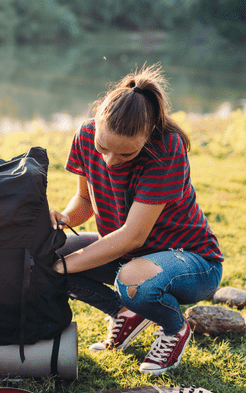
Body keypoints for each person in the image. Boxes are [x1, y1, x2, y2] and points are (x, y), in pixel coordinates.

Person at [49, 64, 223, 376]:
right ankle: (125, 313)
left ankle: (174, 329)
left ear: (147, 136)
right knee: (49, 254)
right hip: (129, 258)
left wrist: (66, 266)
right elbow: (86, 201)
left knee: (127, 279)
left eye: (125, 155)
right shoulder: (86, 134)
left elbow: (132, 237)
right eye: (103, 148)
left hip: (194, 262)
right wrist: (62, 217)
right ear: (98, 120)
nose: (110, 161)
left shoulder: (166, 150)